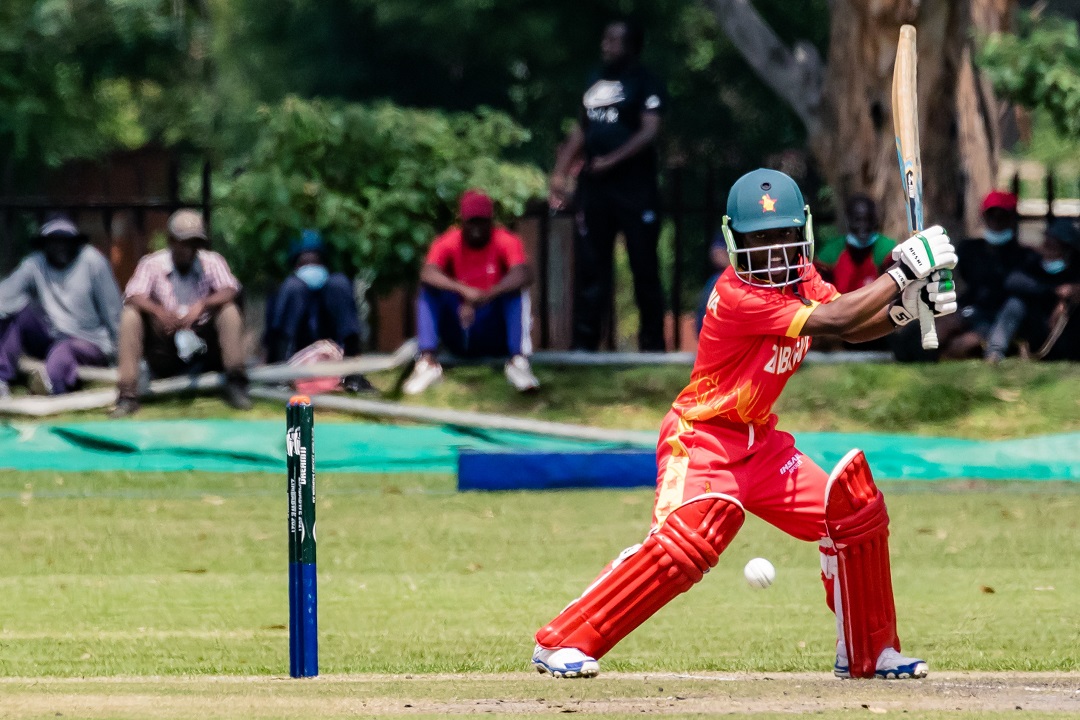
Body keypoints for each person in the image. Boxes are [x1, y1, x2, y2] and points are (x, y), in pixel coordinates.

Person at [530, 168, 958, 681]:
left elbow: (847, 318)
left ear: (801, 232)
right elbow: (836, 321)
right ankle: (564, 642)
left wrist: (904, 310)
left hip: (761, 443)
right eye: (759, 238)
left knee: (853, 510)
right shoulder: (738, 295)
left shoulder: (802, 277)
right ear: (735, 239)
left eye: (782, 236)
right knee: (687, 546)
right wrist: (901, 273)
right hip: (704, 437)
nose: (774, 250)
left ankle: (870, 651)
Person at [549, 19, 667, 352]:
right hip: (595, 191)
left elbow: (648, 132)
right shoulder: (594, 82)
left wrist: (611, 160)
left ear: (631, 46)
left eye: (614, 40)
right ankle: (584, 344)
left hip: (635, 190)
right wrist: (560, 172)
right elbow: (582, 130)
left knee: (643, 266)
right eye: (605, 39)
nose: (606, 45)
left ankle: (652, 345)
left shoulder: (646, 83)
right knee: (591, 268)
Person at [111, 209, 250, 417]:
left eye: (195, 244)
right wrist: (158, 311)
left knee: (228, 311)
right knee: (131, 315)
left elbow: (231, 289)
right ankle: (128, 395)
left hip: (203, 341)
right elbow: (132, 295)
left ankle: (235, 381)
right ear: (170, 241)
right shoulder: (152, 264)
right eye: (184, 243)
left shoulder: (211, 262)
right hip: (164, 343)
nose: (190, 250)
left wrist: (203, 305)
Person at [402, 189, 540, 394]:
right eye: (472, 221)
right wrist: (463, 291)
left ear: (490, 221)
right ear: (463, 221)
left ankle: (518, 362)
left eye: (482, 221)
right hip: (459, 327)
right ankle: (427, 363)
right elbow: (427, 273)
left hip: (492, 328)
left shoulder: (505, 240)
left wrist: (484, 296)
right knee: (428, 291)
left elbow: (523, 274)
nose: (477, 227)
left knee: (515, 292)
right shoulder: (449, 241)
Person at [0, 215, 122, 397]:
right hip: (51, 336)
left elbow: (113, 312)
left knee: (63, 351)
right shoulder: (35, 263)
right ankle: (2, 378)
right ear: (45, 244)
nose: (60, 247)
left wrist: (120, 355)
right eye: (54, 242)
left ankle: (50, 386)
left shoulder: (93, 261)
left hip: (89, 342)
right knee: (15, 313)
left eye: (65, 241)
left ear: (75, 243)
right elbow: (5, 295)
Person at [264, 229, 372, 392]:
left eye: (315, 261)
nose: (310, 267)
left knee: (339, 284)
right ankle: (280, 377)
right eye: (305, 262)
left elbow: (348, 326)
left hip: (335, 357)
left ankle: (353, 375)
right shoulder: (290, 289)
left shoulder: (335, 286)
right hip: (294, 361)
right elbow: (271, 337)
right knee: (293, 288)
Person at [937, 190, 1039, 360]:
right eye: (992, 216)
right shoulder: (969, 249)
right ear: (984, 217)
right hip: (971, 309)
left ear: (1012, 218)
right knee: (941, 328)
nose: (996, 222)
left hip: (1000, 318)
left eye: (1002, 216)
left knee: (962, 345)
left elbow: (1014, 285)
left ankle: (993, 353)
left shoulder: (1026, 256)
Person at [986, 218, 1080, 362]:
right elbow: (1013, 282)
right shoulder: (1031, 262)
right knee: (1015, 304)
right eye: (1048, 240)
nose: (1049, 245)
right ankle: (995, 353)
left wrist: (1068, 298)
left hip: (1066, 328)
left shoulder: (1074, 269)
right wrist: (1053, 291)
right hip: (1035, 321)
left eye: (1055, 243)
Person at [815, 195, 897, 294]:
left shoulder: (886, 248)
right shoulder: (832, 251)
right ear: (848, 221)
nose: (863, 226)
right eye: (858, 220)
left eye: (868, 220)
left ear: (875, 220)